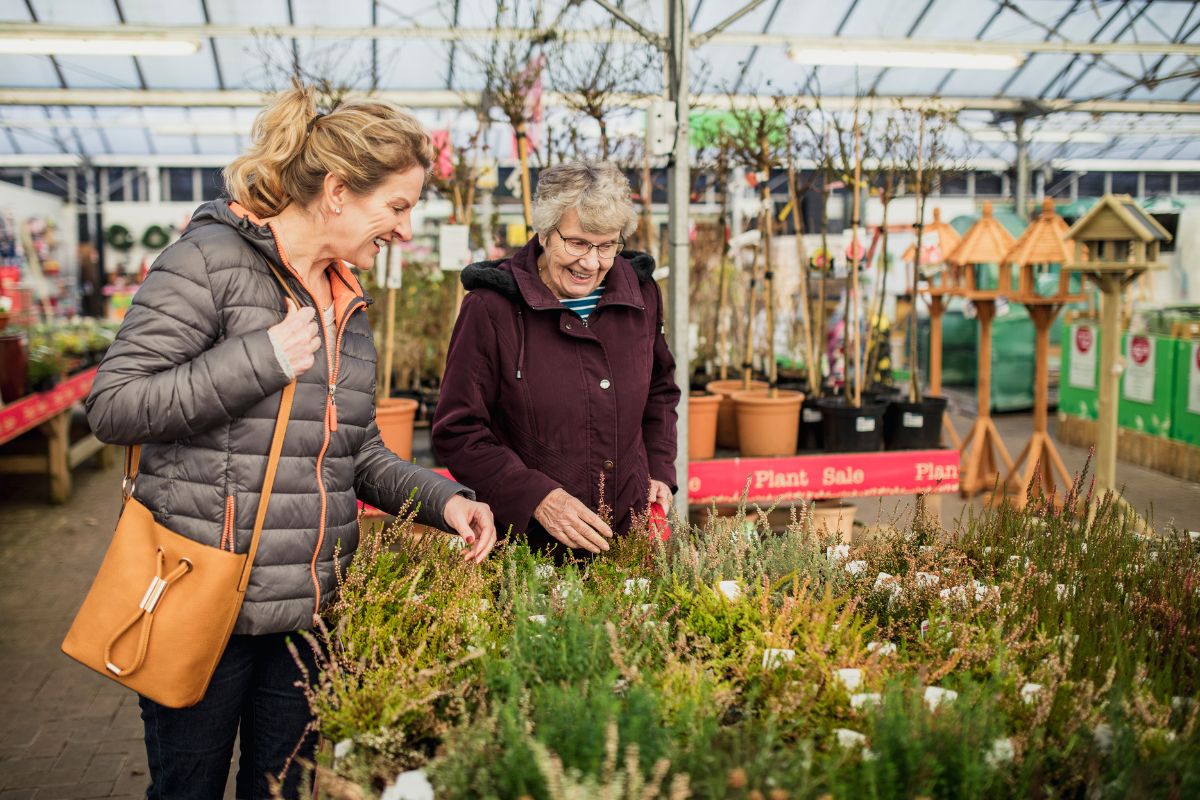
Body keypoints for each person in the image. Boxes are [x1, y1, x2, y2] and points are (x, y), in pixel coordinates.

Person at [85, 83, 496, 800]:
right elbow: (114, 406)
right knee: (189, 789)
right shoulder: (207, 262)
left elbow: (351, 448)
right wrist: (259, 361)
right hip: (202, 595)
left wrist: (444, 501)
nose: (405, 229)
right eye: (396, 206)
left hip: (307, 609)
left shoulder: (346, 300)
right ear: (338, 191)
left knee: (283, 791)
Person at [432, 160, 680, 558]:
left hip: (629, 538)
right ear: (545, 233)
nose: (591, 263)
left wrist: (659, 471)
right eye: (578, 243)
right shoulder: (491, 308)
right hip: (530, 548)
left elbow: (660, 391)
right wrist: (537, 498)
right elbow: (459, 431)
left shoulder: (641, 296)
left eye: (606, 246)